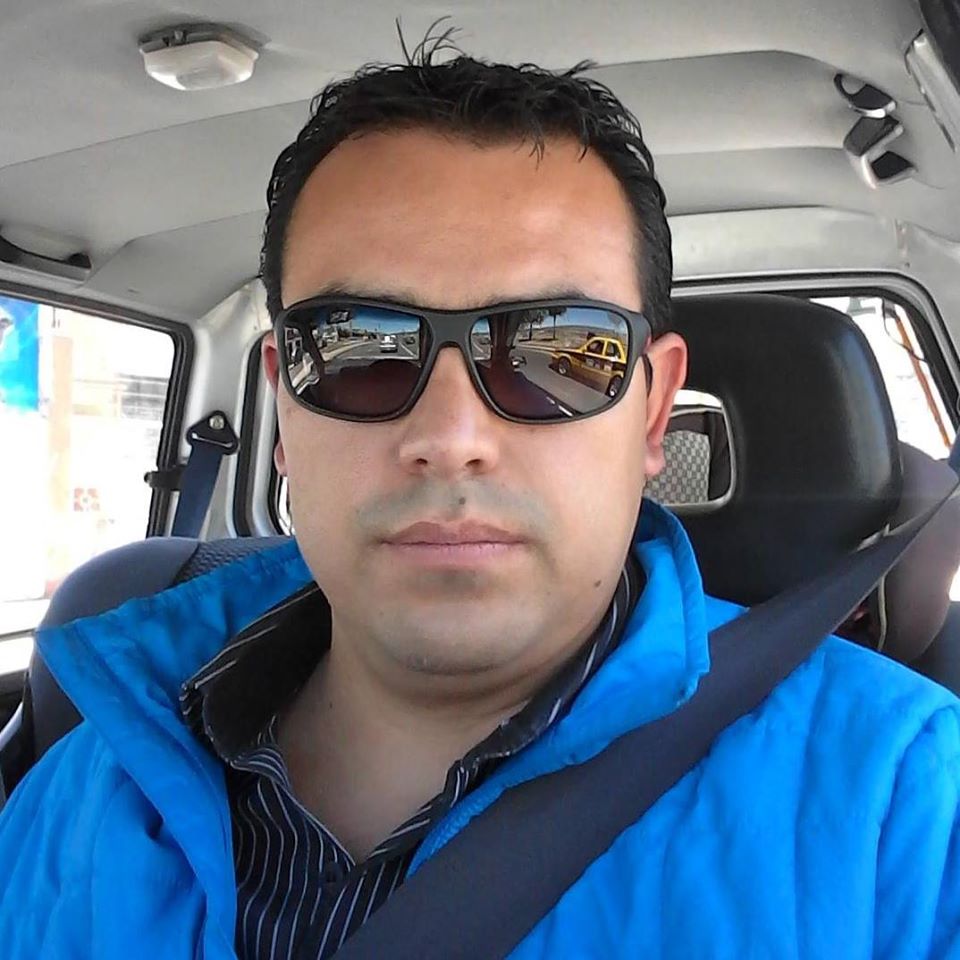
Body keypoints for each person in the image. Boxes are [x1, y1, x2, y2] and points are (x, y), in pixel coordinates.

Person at [1, 35, 960, 960]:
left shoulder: (906, 812)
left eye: (558, 350)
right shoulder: (80, 798)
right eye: (358, 350)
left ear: (654, 410)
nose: (452, 438)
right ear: (284, 408)